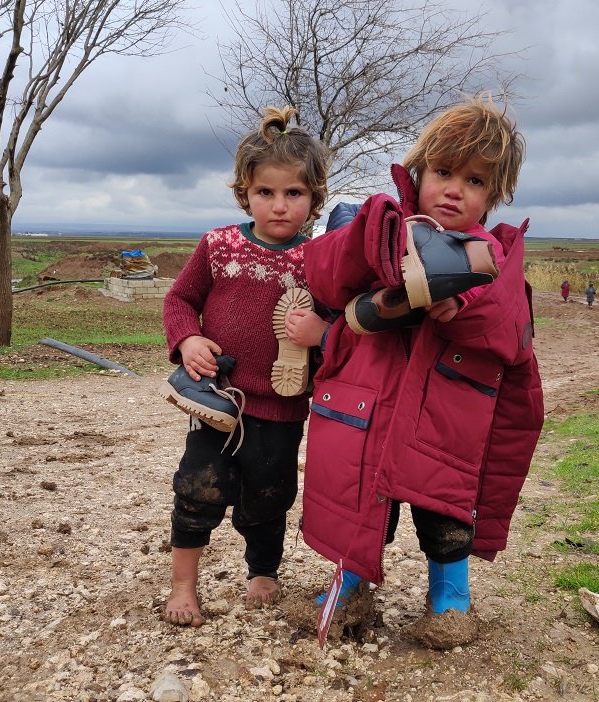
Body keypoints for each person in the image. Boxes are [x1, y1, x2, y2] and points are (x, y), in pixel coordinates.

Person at [286, 94, 544, 649]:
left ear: (494, 195)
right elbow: (327, 273)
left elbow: (508, 331)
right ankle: (348, 586)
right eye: (444, 172)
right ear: (418, 171)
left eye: (475, 181)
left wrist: (465, 305)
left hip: (445, 424)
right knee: (361, 506)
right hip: (370, 409)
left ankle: (451, 598)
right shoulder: (377, 228)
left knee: (444, 515)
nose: (454, 189)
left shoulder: (494, 258)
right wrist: (376, 241)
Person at [160, 106, 330, 627]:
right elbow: (179, 300)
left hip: (283, 407)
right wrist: (187, 339)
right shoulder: (219, 246)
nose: (279, 205)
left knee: (270, 494)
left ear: (314, 198)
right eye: (266, 193)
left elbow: (341, 326)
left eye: (294, 194)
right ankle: (183, 587)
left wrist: (321, 335)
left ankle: (263, 570)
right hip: (218, 402)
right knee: (197, 486)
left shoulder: (322, 260)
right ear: (245, 193)